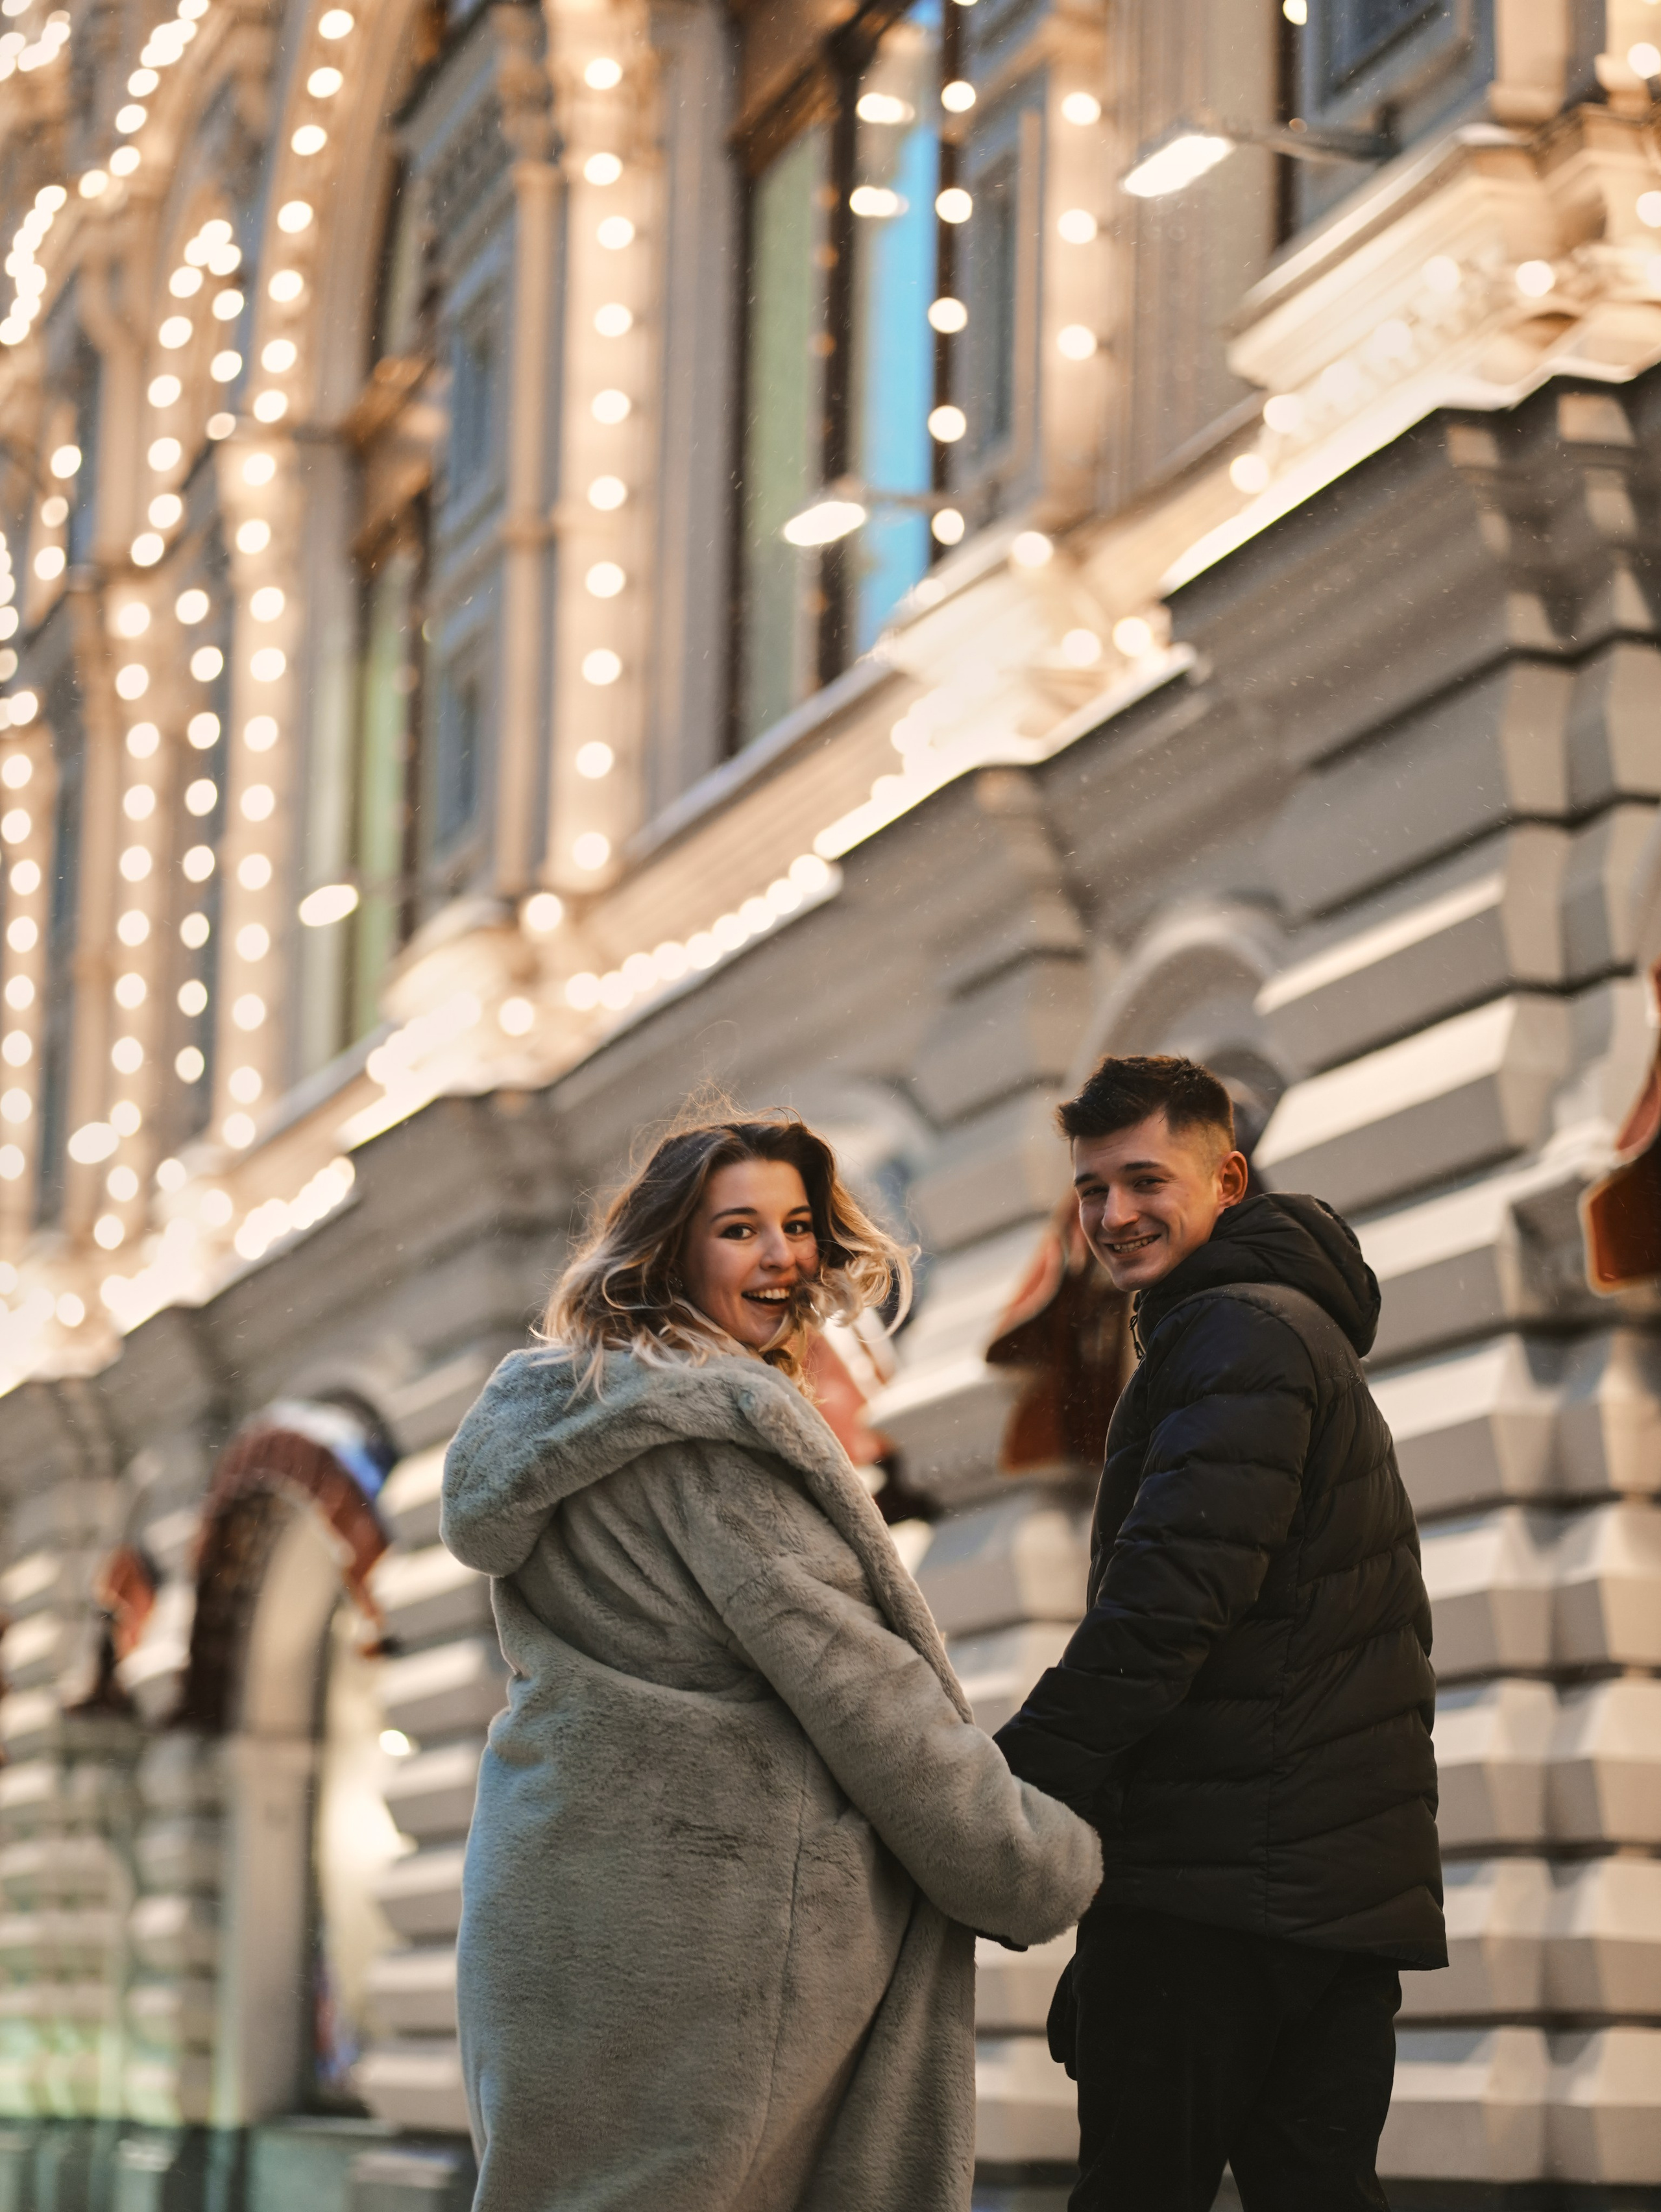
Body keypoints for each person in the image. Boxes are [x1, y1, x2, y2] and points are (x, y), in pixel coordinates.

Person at [441, 1107, 1101, 2212]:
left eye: (796, 1225)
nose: (784, 1255)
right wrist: (1030, 1858)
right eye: (740, 1229)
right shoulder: (713, 1443)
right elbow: (862, 1690)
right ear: (669, 1250)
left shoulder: (569, 1416)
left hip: (559, 1904)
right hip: (706, 1932)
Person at [994, 1054, 1445, 2212]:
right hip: (1328, 1894)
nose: (1114, 1215)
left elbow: (1167, 1603)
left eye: (1146, 1179)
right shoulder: (1282, 1330)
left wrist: (999, 1786)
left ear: (1227, 1178)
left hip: (1217, 1893)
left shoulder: (1235, 1335)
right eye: (1093, 1190)